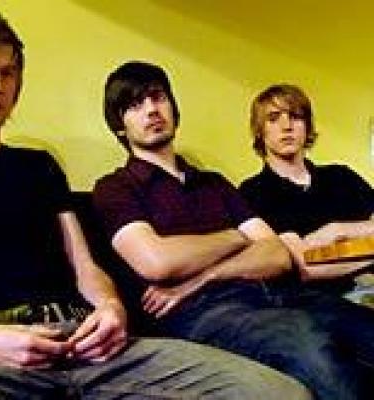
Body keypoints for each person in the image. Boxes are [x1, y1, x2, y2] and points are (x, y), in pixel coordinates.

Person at [0, 12, 313, 399]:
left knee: (277, 392)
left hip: (80, 338)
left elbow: (85, 267)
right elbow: (157, 262)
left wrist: (111, 308)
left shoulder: (38, 166)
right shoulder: (118, 187)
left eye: (7, 73)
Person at [93, 60, 374, 399]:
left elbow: (277, 254)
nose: (152, 109)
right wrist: (237, 236)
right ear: (119, 126)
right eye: (135, 104)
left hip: (275, 294)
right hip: (203, 311)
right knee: (310, 342)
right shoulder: (116, 188)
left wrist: (202, 275)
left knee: (363, 327)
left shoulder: (214, 183)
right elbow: (158, 262)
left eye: (158, 97)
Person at [238, 84, 374, 286]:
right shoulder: (252, 193)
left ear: (307, 126)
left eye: (295, 116)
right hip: (312, 299)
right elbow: (303, 267)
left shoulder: (341, 176)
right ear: (260, 131)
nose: (287, 126)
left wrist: (336, 231)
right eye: (273, 118)